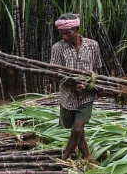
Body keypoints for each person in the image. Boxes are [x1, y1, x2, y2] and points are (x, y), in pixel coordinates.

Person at [50, 13, 102, 161]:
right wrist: (73, 85)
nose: (64, 37)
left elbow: (97, 68)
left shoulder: (93, 45)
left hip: (87, 95)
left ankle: (64, 157)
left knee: (77, 128)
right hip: (67, 96)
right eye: (61, 34)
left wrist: (91, 84)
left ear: (77, 29)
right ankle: (87, 157)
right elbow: (56, 73)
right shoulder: (57, 48)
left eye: (68, 33)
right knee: (75, 129)